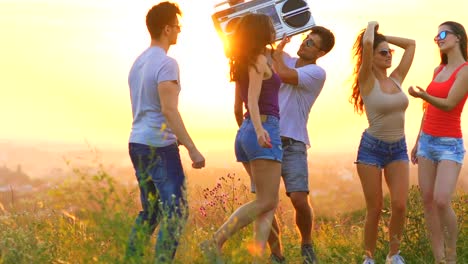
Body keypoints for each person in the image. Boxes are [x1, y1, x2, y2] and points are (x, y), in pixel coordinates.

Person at [125, 2, 205, 263]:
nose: (179, 32)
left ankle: (132, 258)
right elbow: (169, 110)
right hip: (159, 146)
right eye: (177, 27)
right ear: (167, 28)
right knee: (176, 213)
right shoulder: (167, 63)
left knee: (151, 212)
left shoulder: (138, 62)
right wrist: (192, 148)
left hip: (137, 142)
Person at [201, 13, 282, 263]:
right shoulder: (257, 60)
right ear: (261, 32)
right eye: (270, 26)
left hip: (247, 131)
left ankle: (260, 257)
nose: (275, 29)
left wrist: (280, 49)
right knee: (267, 200)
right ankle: (214, 241)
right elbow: (254, 101)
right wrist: (260, 130)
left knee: (267, 203)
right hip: (263, 127)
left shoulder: (251, 59)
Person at [256, 26, 334, 264]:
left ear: (320, 53)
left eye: (311, 43)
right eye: (305, 39)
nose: (304, 43)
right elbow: (258, 47)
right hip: (268, 139)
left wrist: (278, 50)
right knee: (265, 202)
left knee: (299, 199)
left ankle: (307, 243)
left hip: (294, 141)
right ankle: (276, 253)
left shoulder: (316, 72)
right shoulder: (285, 58)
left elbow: (284, 75)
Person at [350, 21, 415, 264]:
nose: (389, 56)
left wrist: (384, 37)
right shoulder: (366, 79)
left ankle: (393, 255)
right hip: (371, 149)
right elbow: (367, 43)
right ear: (372, 57)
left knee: (399, 205)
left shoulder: (397, 78)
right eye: (383, 52)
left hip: (398, 148)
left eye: (390, 52)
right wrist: (370, 27)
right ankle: (369, 258)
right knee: (375, 208)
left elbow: (411, 45)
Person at [408, 21, 468, 264]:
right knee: (428, 201)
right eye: (436, 36)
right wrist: (417, 140)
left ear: (459, 38)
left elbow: (448, 104)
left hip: (449, 144)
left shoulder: (465, 70)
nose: (438, 39)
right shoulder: (437, 70)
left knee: (442, 199)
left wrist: (423, 94)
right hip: (427, 142)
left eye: (443, 34)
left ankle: (451, 254)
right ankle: (438, 258)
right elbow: (428, 110)